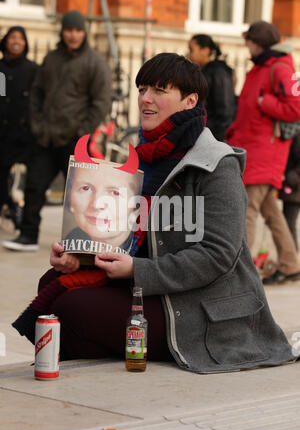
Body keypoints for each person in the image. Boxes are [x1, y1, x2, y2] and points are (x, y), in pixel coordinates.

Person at [12, 53, 295, 374]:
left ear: (190, 101)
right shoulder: (143, 158)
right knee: (53, 281)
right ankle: (99, 359)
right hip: (155, 289)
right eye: (142, 88)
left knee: (71, 307)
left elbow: (218, 256)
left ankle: (102, 359)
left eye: (159, 90)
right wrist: (82, 255)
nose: (145, 99)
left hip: (200, 308)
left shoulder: (217, 164)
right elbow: (128, 239)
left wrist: (137, 269)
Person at [2, 10, 112, 252]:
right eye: (69, 30)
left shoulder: (95, 63)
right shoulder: (51, 58)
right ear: (62, 32)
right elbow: (37, 93)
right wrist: (38, 124)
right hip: (45, 137)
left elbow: (102, 102)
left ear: (84, 32)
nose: (73, 35)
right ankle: (28, 236)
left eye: (78, 30)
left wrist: (83, 132)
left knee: (78, 194)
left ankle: (78, 241)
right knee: (34, 186)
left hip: (75, 139)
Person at [226, 21, 300, 285]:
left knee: (247, 212)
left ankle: (239, 272)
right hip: (251, 148)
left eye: (249, 40)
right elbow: (245, 112)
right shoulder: (260, 68)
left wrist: (264, 102)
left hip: (264, 153)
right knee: (272, 213)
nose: (246, 45)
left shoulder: (279, 67)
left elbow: (296, 107)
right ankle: (291, 265)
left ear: (259, 42)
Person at [61, 158, 144, 260]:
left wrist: (134, 269)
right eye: (86, 188)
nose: (96, 204)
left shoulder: (147, 253)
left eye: (115, 192)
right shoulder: (71, 241)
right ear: (70, 198)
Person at [0, 26, 38, 229]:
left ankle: (19, 217)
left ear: (25, 43)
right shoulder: (1, 70)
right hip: (3, 133)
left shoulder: (32, 70)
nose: (16, 41)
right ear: (5, 41)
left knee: (21, 183)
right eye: (12, 37)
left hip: (24, 135)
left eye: (20, 38)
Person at [188, 34, 236, 141]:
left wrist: (216, 139)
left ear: (205, 50)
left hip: (214, 136)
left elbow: (225, 111)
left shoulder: (219, 72)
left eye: (191, 50)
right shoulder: (203, 71)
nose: (188, 55)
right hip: (204, 132)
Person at [279, 134, 300, 251]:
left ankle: (292, 264)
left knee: (289, 225)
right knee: (287, 224)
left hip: (295, 189)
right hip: (292, 188)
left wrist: (290, 178)